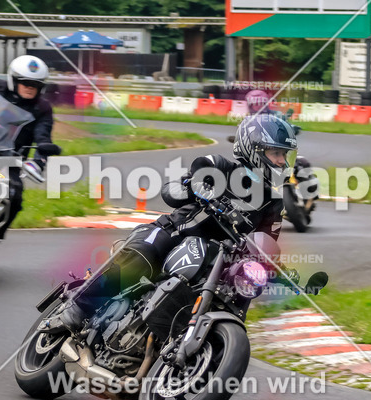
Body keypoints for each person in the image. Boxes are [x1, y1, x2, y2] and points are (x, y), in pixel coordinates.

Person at [60, 113, 299, 331]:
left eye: (283, 155)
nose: (281, 161)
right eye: (275, 153)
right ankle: (80, 306)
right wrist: (197, 187)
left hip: (214, 266)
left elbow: (264, 244)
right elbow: (174, 188)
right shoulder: (219, 166)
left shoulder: (273, 203)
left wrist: (278, 269)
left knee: (237, 297)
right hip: (174, 234)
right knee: (142, 254)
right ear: (253, 149)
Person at [0, 55, 55, 238]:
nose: (30, 87)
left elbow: (42, 134)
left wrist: (40, 158)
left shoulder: (42, 108)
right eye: (26, 82)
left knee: (14, 195)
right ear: (13, 80)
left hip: (9, 159)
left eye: (36, 84)